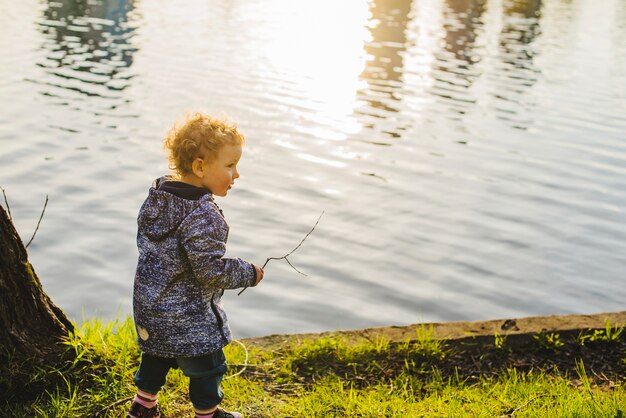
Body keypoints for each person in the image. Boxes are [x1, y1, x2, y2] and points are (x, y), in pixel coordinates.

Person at [127, 112, 264, 418]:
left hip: (150, 306)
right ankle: (209, 414)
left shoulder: (157, 198)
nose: (237, 174)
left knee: (156, 356)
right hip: (188, 316)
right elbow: (210, 272)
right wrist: (248, 273)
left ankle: (143, 405)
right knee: (207, 366)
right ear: (200, 166)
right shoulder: (204, 215)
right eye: (230, 166)